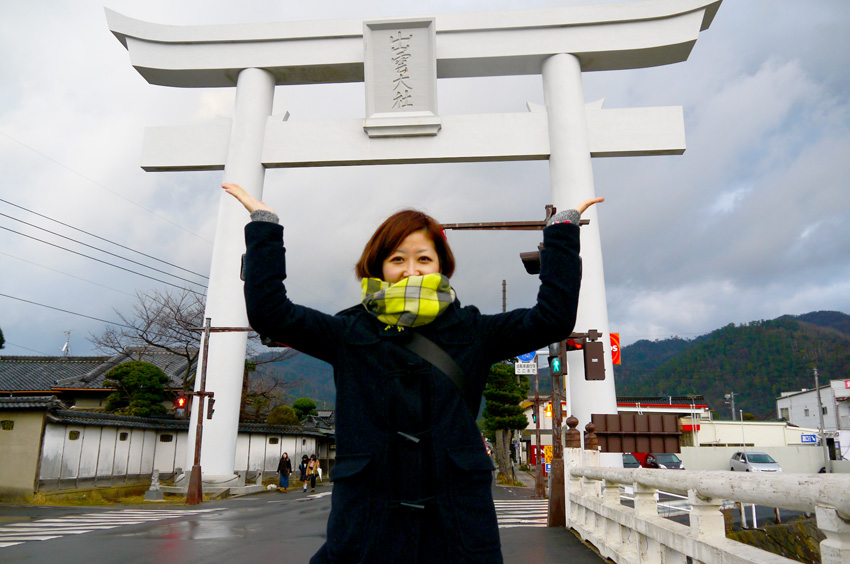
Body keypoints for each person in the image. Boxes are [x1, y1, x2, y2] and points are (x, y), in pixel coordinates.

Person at [223, 182, 602, 564]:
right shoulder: (349, 333)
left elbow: (551, 319)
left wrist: (561, 234)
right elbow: (272, 314)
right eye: (397, 259)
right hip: (366, 526)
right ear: (379, 266)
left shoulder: (472, 332)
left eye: (423, 258)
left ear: (441, 266)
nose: (411, 270)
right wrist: (264, 226)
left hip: (458, 527)